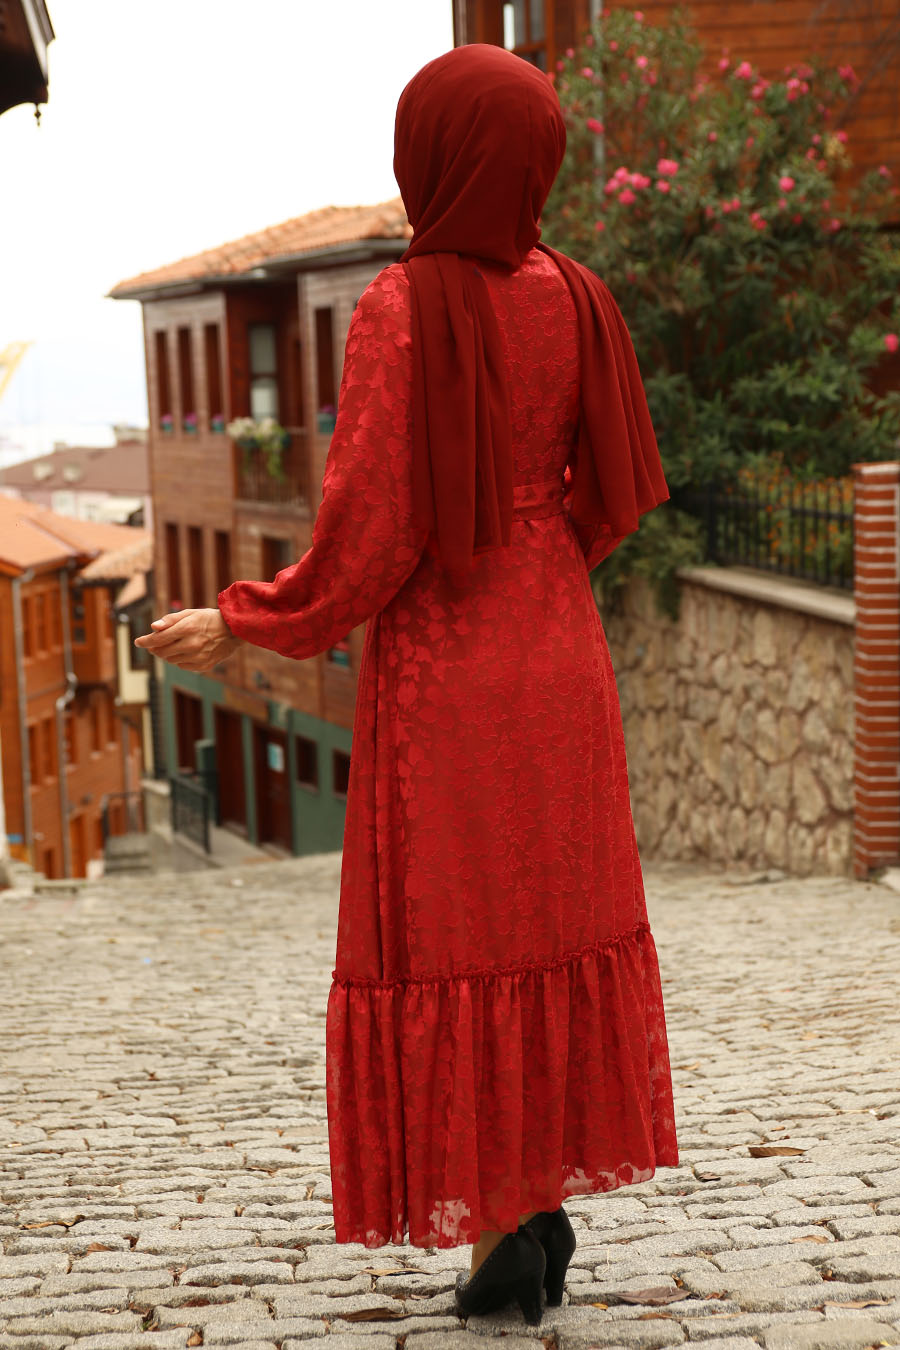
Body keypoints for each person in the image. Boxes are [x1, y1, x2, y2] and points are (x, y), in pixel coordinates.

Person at [136, 42, 679, 1327]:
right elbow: (608, 501)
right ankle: (535, 1196)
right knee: (547, 927)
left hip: (448, 673)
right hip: (559, 649)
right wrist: (537, 571)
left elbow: (374, 535)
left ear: (429, 152)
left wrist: (251, 615)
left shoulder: (402, 308)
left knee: (457, 936)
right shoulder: (580, 295)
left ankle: (503, 1229)